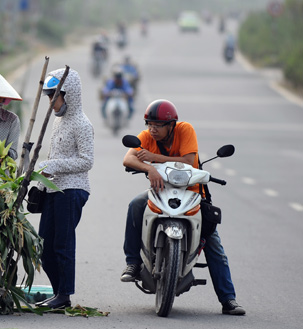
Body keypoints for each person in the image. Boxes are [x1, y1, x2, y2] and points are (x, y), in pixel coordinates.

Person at [120, 99, 246, 316]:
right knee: (135, 205)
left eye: (158, 125)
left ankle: (228, 299)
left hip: (192, 194)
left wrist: (152, 159)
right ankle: (132, 263)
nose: (152, 128)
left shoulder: (185, 129)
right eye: (149, 123)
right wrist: (150, 170)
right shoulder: (146, 136)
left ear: (171, 125)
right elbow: (128, 158)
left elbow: (188, 161)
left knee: (213, 244)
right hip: (160, 193)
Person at [34, 68, 94, 309]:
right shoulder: (58, 121)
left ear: (69, 95)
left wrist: (53, 165)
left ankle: (64, 295)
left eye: (53, 96)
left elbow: (87, 160)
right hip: (53, 190)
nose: (50, 102)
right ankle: (59, 294)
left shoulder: (82, 123)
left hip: (72, 191)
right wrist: (39, 184)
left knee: (63, 245)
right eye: (48, 97)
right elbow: (52, 157)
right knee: (43, 247)